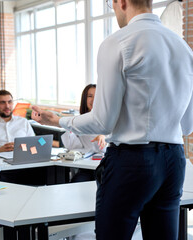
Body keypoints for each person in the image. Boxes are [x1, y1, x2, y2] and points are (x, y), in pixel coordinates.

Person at [31, 0, 193, 238]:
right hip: (174, 161)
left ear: (121, 2)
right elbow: (187, 126)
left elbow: (102, 122)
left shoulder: (118, 42)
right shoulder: (184, 48)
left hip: (133, 161)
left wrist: (59, 121)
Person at [61, 84, 107, 182]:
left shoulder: (109, 119)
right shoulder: (80, 121)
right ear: (84, 99)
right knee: (74, 185)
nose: (93, 100)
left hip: (105, 167)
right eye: (90, 96)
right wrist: (69, 128)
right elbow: (72, 146)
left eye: (97, 96)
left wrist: (104, 137)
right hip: (87, 168)